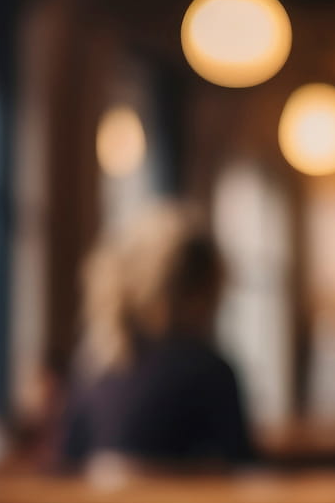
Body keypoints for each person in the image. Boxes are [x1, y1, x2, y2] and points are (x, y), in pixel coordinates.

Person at [57, 203, 255, 473]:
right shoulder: (209, 371)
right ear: (197, 292)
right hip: (182, 502)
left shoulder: (93, 366)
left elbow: (68, 463)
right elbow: (241, 470)